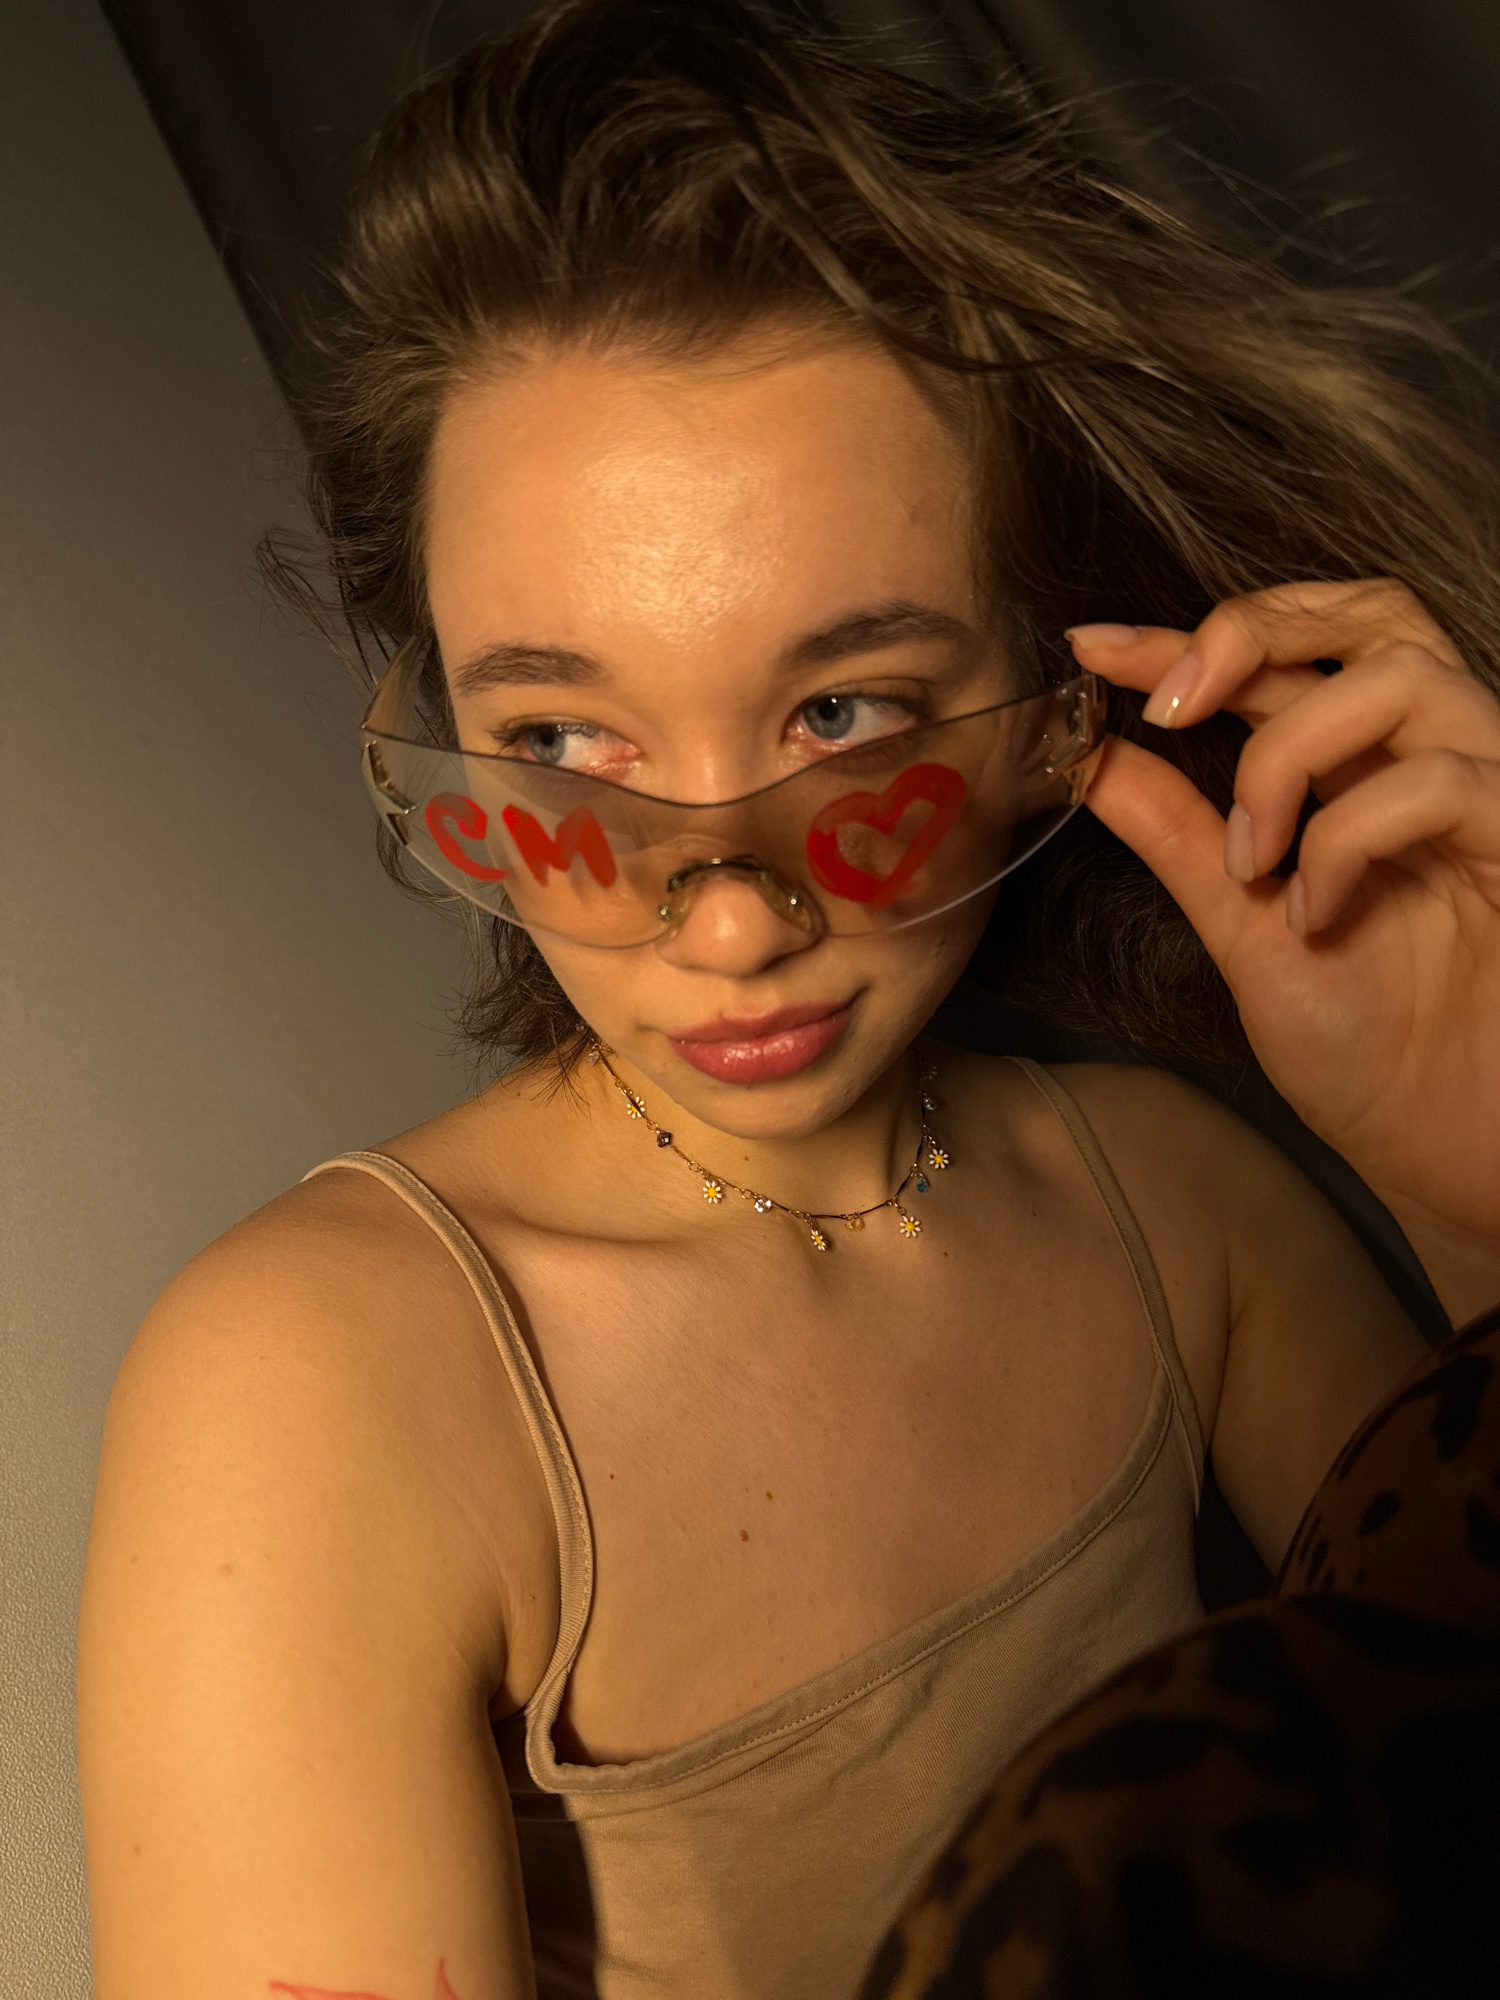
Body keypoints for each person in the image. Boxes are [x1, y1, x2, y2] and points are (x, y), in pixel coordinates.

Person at [75, 6, 1500, 1998]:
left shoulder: (1182, 1206)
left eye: (844, 714)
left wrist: (1471, 1167)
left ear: (1055, 708)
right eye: (564, 740)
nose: (733, 924)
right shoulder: (321, 1389)